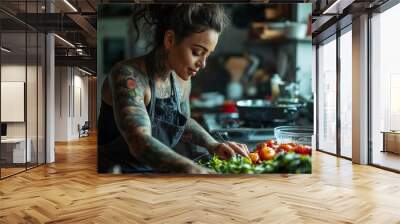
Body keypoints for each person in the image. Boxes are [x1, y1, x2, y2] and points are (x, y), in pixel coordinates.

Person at [98, 4, 249, 174]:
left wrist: (212, 144)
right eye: (197, 52)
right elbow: (140, 143)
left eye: (207, 55)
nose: (203, 64)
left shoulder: (181, 79)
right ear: (170, 40)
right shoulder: (128, 76)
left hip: (154, 174)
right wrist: (192, 169)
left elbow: (182, 121)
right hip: (115, 177)